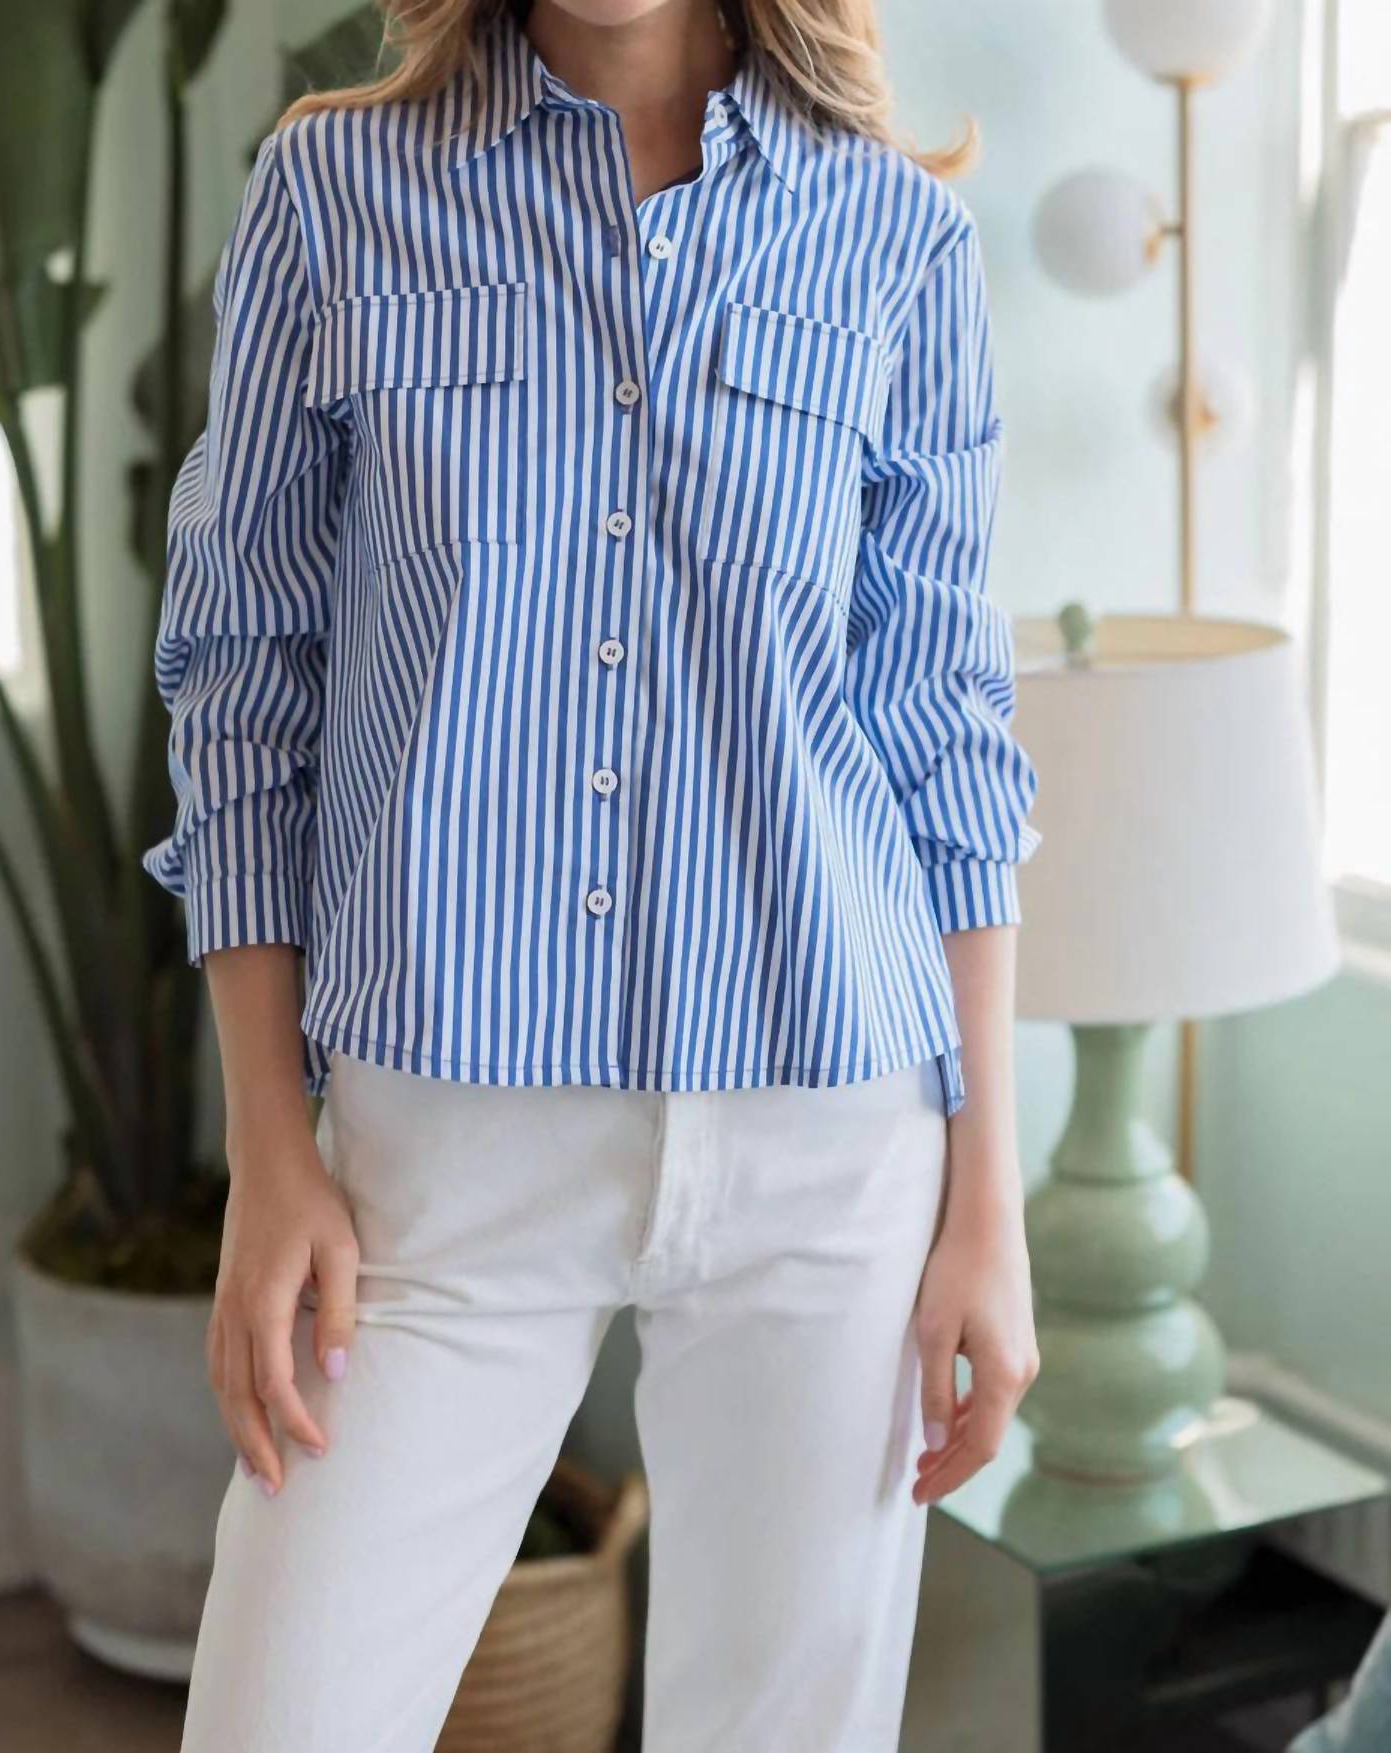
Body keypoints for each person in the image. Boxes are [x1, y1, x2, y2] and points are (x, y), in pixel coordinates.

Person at [144, 0, 1043, 1746]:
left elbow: (946, 730)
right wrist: (267, 1144)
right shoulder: (336, 197)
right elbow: (244, 676)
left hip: (827, 1127)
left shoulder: (898, 239)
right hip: (444, 1147)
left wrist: (984, 1207)